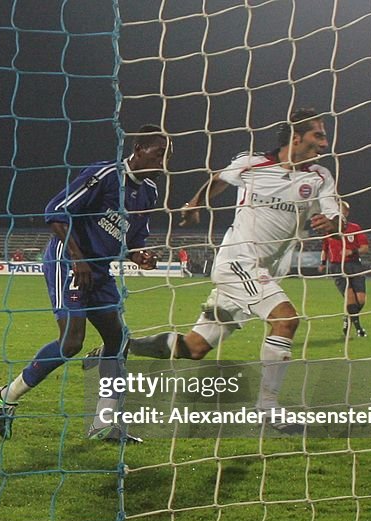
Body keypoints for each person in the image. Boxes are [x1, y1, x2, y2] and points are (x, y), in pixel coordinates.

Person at [86, 109, 340, 435]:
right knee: (285, 319)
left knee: (193, 348)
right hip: (237, 263)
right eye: (318, 134)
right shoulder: (252, 163)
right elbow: (218, 179)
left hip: (265, 272)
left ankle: (123, 346)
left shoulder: (319, 177)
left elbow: (336, 215)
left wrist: (333, 223)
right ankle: (268, 406)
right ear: (296, 137)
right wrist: (195, 204)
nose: (325, 141)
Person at [0, 125, 171, 442]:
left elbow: (134, 238)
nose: (164, 162)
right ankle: (7, 395)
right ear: (139, 149)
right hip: (68, 260)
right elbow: (56, 212)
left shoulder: (150, 194)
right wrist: (77, 259)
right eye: (160, 154)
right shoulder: (104, 175)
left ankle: (104, 424)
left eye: (166, 156)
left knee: (118, 338)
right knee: (72, 342)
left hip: (99, 269)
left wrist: (139, 255)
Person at [320, 201, 369, 336]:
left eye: (341, 211)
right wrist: (323, 263)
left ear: (346, 213)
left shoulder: (355, 228)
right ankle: (359, 329)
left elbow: (365, 248)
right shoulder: (328, 230)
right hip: (337, 266)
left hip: (355, 265)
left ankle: (347, 318)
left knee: (361, 300)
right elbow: (324, 248)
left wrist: (352, 252)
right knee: (350, 298)